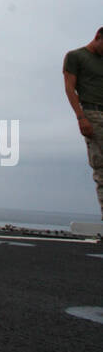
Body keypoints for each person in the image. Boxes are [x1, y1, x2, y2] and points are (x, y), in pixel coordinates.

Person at [63, 27, 103, 221]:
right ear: (97, 37)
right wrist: (81, 117)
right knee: (101, 167)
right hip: (93, 113)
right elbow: (70, 88)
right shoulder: (76, 56)